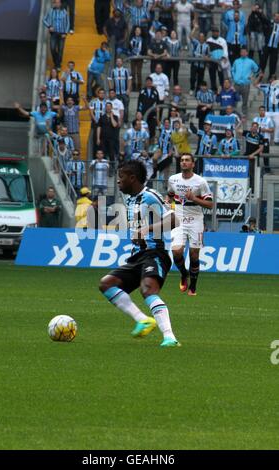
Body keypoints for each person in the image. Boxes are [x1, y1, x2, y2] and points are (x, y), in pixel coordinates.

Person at [99, 160, 180, 347]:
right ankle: (142, 319)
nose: (118, 182)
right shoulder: (130, 199)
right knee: (106, 284)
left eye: (121, 177)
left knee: (148, 289)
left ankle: (170, 337)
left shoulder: (151, 196)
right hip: (137, 255)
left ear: (133, 178)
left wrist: (147, 229)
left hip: (155, 253)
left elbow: (175, 220)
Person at [168, 153, 213, 296]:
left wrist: (194, 198)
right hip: (178, 219)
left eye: (187, 160)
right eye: (182, 160)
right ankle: (183, 273)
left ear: (193, 164)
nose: (184, 162)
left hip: (195, 220)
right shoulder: (173, 179)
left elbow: (210, 204)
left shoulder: (200, 182)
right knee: (176, 251)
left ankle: (193, 286)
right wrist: (167, 204)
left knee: (194, 255)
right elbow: (169, 195)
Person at [231, 47, 259, 116]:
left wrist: (251, 76)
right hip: (237, 84)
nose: (243, 53)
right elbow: (232, 70)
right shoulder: (236, 61)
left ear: (247, 53)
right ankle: (234, 114)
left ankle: (244, 115)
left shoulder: (251, 61)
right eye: (241, 52)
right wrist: (234, 77)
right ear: (240, 53)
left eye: (244, 52)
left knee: (245, 101)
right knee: (234, 100)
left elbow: (256, 70)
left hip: (246, 84)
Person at [43, 0, 70, 70]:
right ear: (54, 3)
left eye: (58, 2)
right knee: (52, 48)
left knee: (60, 50)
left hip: (62, 34)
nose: (57, 4)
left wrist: (65, 33)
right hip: (54, 33)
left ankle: (58, 65)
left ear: (60, 3)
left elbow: (68, 23)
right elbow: (44, 19)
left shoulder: (64, 11)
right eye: (56, 2)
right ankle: (57, 63)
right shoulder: (51, 11)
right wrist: (49, 26)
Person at [108, 57, 132, 126]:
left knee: (126, 108)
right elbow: (109, 80)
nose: (118, 62)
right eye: (117, 61)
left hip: (125, 92)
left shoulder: (126, 70)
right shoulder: (113, 71)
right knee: (116, 108)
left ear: (122, 62)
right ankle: (116, 121)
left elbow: (130, 80)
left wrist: (128, 89)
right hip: (116, 93)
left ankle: (125, 122)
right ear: (116, 62)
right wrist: (111, 90)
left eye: (120, 61)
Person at [253, 105, 274, 172]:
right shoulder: (255, 119)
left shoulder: (269, 120)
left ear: (265, 111)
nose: (262, 111)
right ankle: (256, 168)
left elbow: (272, 130)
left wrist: (264, 130)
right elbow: (252, 128)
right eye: (260, 110)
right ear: (258, 111)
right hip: (256, 139)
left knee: (266, 155)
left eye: (263, 110)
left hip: (265, 139)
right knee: (256, 154)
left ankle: (267, 169)